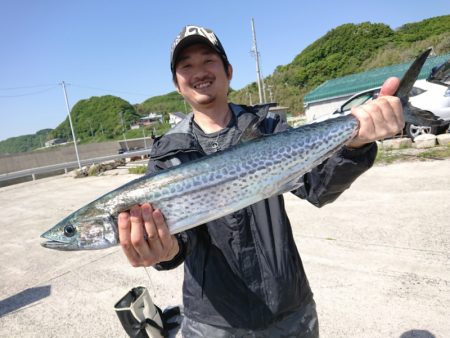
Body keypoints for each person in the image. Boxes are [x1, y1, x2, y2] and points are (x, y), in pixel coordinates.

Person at [118, 25, 403, 337]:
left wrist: (354, 144)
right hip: (213, 319)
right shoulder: (168, 154)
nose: (198, 71)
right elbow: (179, 241)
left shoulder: (267, 128)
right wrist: (164, 250)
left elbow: (318, 186)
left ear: (228, 71)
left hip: (289, 307)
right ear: (177, 84)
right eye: (186, 66)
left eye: (208, 61)